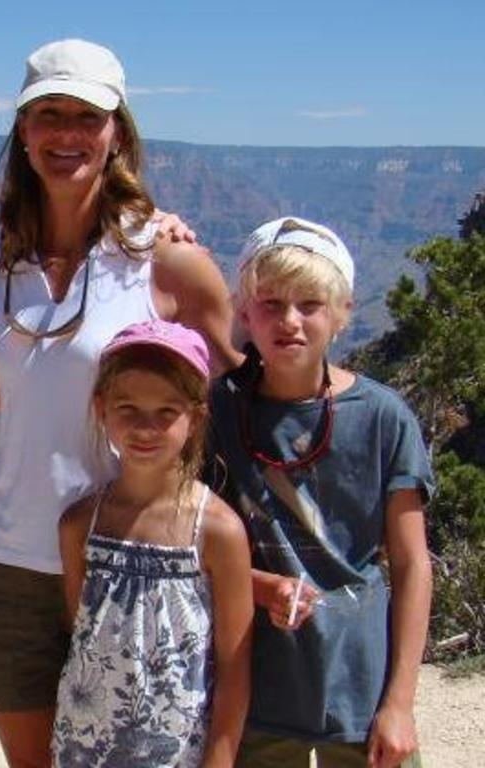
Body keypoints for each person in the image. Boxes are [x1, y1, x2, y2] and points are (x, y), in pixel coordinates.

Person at [0, 38, 241, 766]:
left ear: (117, 131)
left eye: (87, 115)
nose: (66, 134)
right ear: (22, 132)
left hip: (131, 557)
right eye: (47, 114)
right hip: (11, 557)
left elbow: (237, 396)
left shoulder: (167, 261)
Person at [206, 216, 434, 768]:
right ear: (244, 313)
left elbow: (410, 563)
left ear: (342, 314)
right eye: (271, 303)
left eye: (310, 304)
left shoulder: (383, 418)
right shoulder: (217, 412)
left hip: (359, 685)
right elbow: (187, 535)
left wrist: (400, 703)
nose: (290, 321)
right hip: (252, 691)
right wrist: (260, 587)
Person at [52, 319, 253, 767]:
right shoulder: (80, 525)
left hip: (175, 752)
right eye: (128, 408)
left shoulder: (217, 531)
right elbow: (81, 636)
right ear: (101, 408)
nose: (146, 428)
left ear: (195, 418)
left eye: (167, 412)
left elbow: (235, 667)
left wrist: (219, 759)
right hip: (83, 747)